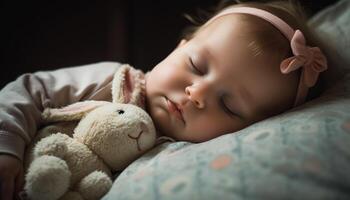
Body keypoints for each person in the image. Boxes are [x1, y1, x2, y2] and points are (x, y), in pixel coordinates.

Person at [0, 0, 328, 199]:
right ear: (180, 47)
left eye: (228, 105)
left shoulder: (181, 160)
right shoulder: (115, 81)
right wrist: (7, 149)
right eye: (196, 66)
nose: (197, 93)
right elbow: (29, 91)